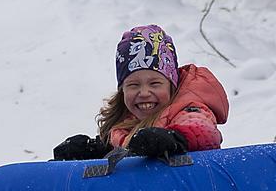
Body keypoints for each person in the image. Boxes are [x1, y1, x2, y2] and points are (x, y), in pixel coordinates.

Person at [52, 24, 229, 161]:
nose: (144, 92)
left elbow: (204, 132)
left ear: (171, 85)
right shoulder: (127, 122)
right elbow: (125, 146)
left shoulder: (188, 110)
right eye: (134, 85)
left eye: (154, 83)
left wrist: (175, 139)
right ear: (122, 90)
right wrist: (95, 149)